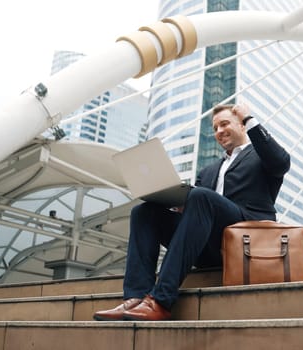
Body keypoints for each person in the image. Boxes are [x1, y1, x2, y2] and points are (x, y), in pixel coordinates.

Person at [93, 103, 290, 321]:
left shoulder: (261, 155)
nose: (219, 131)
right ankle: (135, 299)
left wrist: (250, 118)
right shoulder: (208, 171)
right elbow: (197, 206)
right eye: (215, 128)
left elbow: (280, 162)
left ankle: (160, 301)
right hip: (208, 245)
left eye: (224, 124)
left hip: (247, 242)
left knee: (200, 196)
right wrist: (177, 203)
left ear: (242, 126)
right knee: (145, 211)